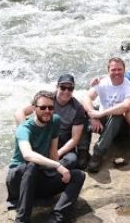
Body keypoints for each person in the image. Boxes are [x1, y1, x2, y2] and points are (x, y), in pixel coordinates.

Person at [6, 90, 86, 223]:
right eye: (43, 107)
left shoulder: (55, 121)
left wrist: (60, 169)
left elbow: (53, 153)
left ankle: (56, 218)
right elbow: (27, 154)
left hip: (40, 179)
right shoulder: (24, 128)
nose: (47, 111)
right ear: (33, 109)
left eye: (50, 107)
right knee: (32, 165)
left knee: (78, 175)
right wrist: (58, 166)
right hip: (18, 181)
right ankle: (22, 220)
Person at [16, 75, 89, 170]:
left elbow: (75, 139)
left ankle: (49, 169)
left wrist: (58, 153)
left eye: (70, 88)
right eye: (63, 87)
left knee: (72, 160)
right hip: (45, 138)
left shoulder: (77, 108)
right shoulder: (47, 99)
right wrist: (25, 131)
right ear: (57, 87)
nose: (66, 91)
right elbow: (19, 113)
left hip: (63, 142)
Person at [80, 57, 130, 173]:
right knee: (83, 111)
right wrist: (93, 116)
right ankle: (83, 152)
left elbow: (126, 106)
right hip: (104, 122)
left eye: (119, 69)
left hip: (121, 127)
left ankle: (98, 152)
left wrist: (101, 113)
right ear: (108, 71)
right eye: (113, 70)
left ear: (124, 70)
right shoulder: (102, 82)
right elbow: (87, 97)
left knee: (117, 115)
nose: (116, 72)